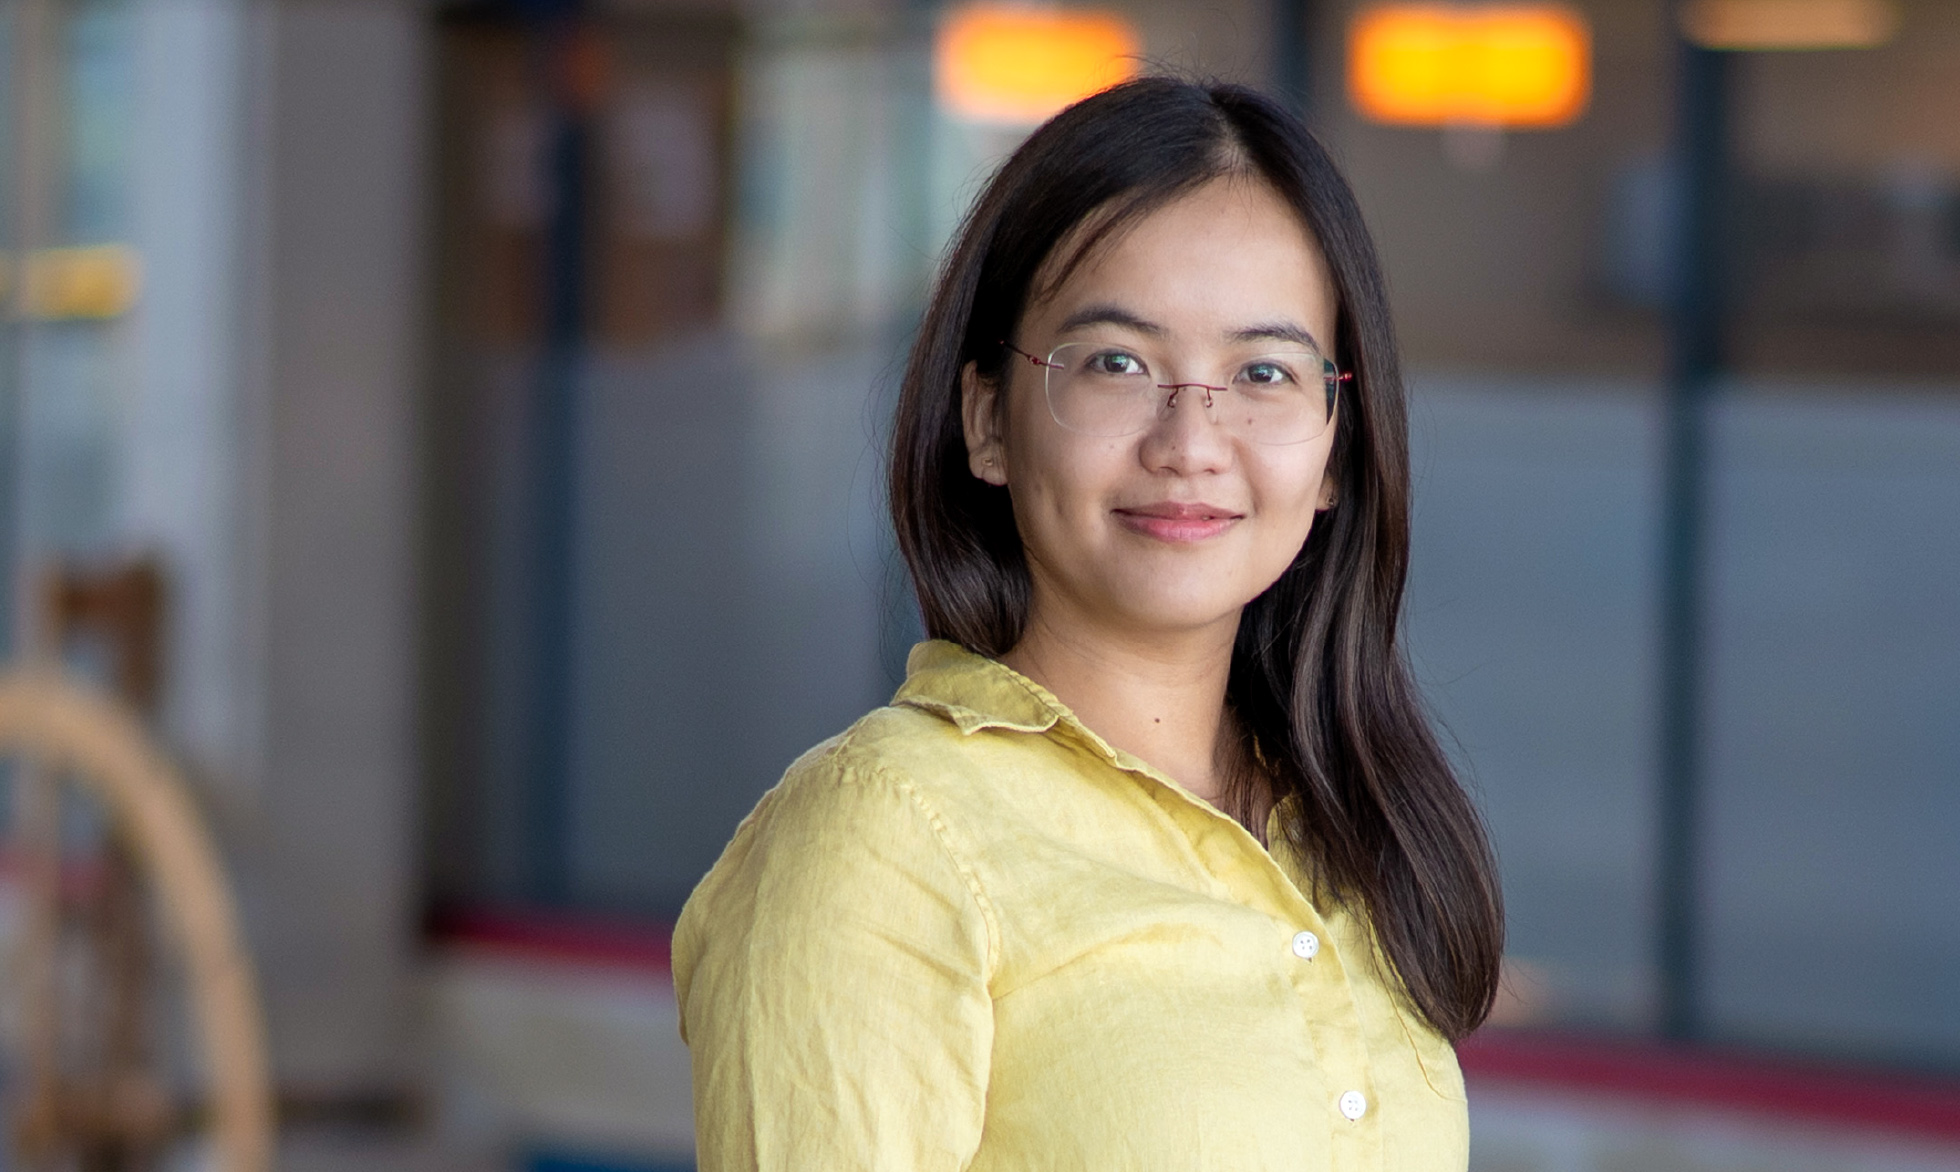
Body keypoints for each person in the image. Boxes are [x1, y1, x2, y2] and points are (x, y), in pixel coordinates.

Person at [673, 76, 1503, 1171]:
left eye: (1261, 370)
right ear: (987, 422)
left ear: (1334, 448)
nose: (1190, 439)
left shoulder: (1342, 827)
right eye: (1117, 362)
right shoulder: (882, 839)